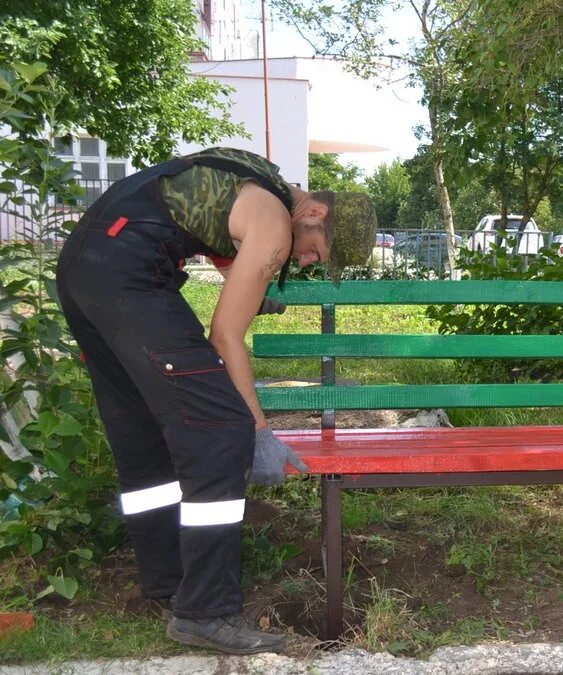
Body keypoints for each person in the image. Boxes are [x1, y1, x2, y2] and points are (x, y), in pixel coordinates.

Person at [55, 147, 376, 653]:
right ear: (315, 212)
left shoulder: (263, 179)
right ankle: (206, 612)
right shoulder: (275, 223)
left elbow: (200, 211)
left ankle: (169, 585)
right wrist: (260, 431)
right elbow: (226, 336)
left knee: (145, 434)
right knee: (221, 430)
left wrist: (247, 281)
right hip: (129, 272)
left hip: (86, 265)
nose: (310, 262)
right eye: (317, 250)